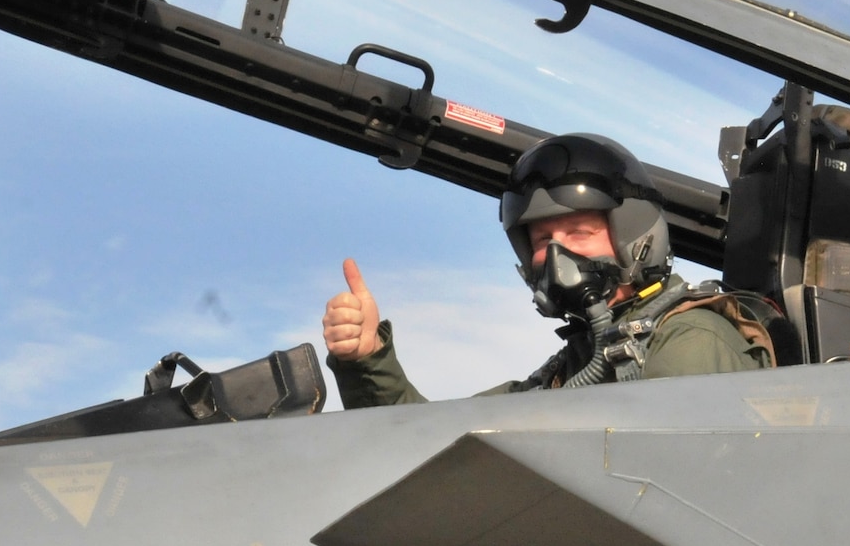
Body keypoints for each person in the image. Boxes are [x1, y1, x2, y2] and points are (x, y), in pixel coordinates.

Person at [324, 132, 776, 407]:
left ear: (636, 239)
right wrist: (367, 359)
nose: (557, 257)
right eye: (543, 241)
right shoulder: (570, 368)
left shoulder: (690, 341)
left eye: (579, 232)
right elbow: (425, 444)